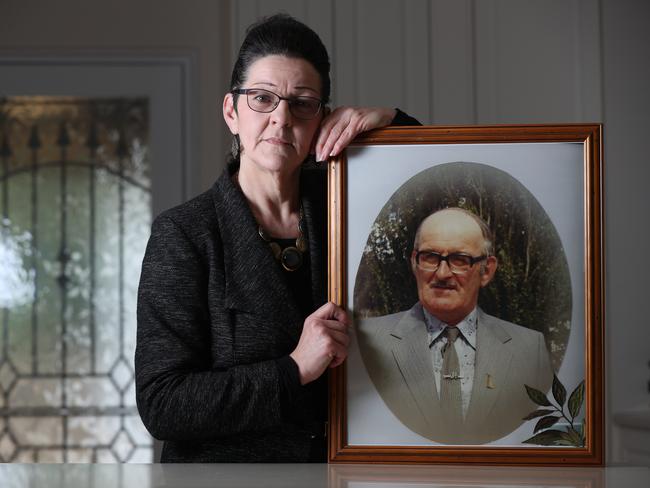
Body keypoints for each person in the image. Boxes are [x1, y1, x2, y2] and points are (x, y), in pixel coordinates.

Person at [135, 14, 420, 463]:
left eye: (302, 103)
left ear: (321, 118)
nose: (281, 119)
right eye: (262, 99)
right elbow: (163, 403)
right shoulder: (184, 233)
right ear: (232, 111)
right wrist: (292, 370)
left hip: (343, 476)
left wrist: (390, 120)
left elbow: (436, 190)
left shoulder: (347, 206)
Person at [357, 207, 553, 445]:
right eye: (430, 257)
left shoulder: (530, 349)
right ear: (414, 262)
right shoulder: (365, 341)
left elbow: (540, 439)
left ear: (487, 270)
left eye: (459, 260)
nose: (442, 273)